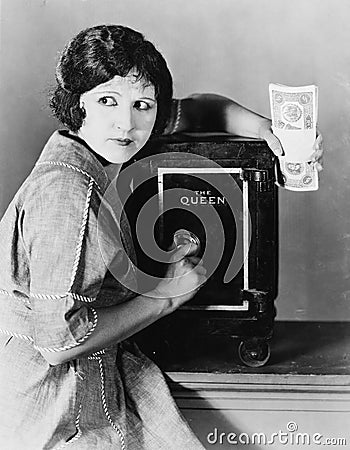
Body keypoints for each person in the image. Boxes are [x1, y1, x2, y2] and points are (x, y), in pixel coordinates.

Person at [0, 24, 323, 449]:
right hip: (54, 406)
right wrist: (164, 296)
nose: (127, 122)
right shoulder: (65, 191)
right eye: (107, 101)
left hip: (94, 372)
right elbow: (60, 342)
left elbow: (205, 109)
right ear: (78, 103)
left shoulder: (103, 138)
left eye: (143, 105)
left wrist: (269, 134)